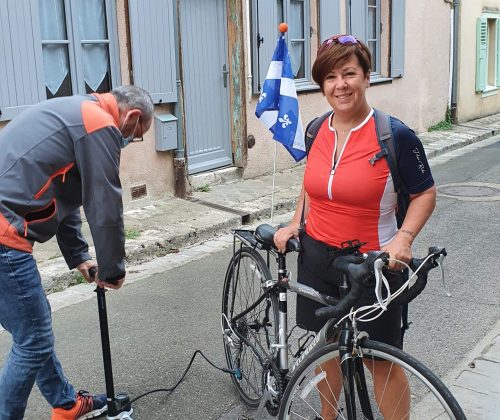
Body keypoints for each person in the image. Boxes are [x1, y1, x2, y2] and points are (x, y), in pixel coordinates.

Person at [274, 35, 436, 419]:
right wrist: (296, 222)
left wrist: (405, 237)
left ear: (366, 77)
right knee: (327, 348)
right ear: (322, 85)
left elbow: (425, 194)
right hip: (317, 257)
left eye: (349, 73)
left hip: (374, 266)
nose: (340, 84)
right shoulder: (316, 130)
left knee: (380, 361)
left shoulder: (394, 135)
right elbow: (312, 183)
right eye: (330, 77)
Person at [0, 85, 154, 419]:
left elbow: (66, 193)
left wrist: (80, 256)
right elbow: (103, 203)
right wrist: (113, 269)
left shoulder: (77, 111)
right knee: (34, 340)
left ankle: (66, 404)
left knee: (33, 330)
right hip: (3, 236)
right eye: (136, 135)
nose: (129, 141)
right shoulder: (98, 124)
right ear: (133, 116)